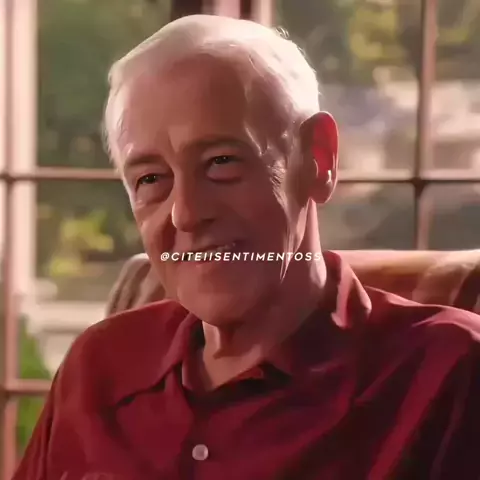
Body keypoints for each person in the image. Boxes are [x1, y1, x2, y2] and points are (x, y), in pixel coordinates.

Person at [14, 14, 480, 480]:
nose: (186, 214)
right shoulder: (98, 368)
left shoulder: (447, 374)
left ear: (318, 159)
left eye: (221, 162)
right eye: (151, 179)